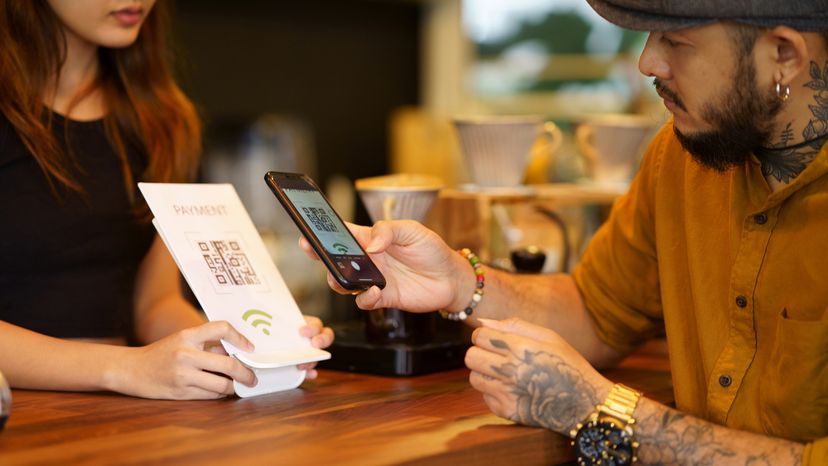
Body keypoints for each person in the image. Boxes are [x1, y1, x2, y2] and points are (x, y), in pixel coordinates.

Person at [304, 1, 828, 464]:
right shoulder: (679, 158)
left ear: (783, 52)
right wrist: (461, 283)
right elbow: (595, 311)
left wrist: (606, 413)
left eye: (677, 41)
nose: (648, 62)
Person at [0, 0, 333, 400]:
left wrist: (244, 349)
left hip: (115, 415)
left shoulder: (162, 118)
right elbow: (132, 364)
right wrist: (124, 367)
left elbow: (154, 304)